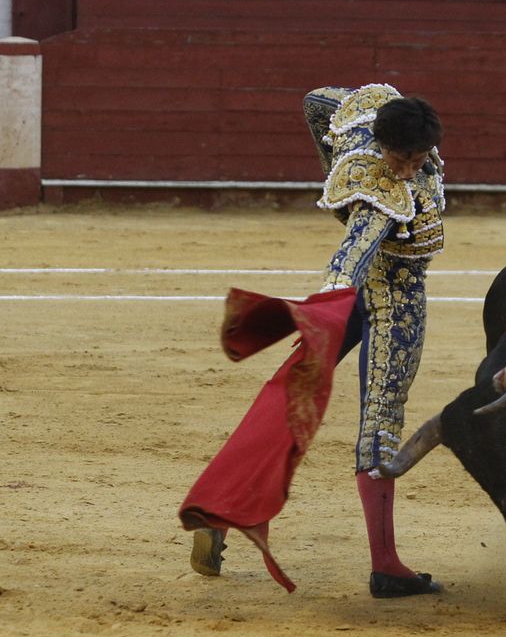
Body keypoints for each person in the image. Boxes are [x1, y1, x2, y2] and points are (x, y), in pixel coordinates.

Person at [182, 85, 447, 601]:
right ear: (384, 145)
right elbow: (352, 255)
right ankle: (387, 567)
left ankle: (223, 510)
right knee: (380, 425)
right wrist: (326, 303)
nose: (409, 170)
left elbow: (316, 101)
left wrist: (329, 157)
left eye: (417, 158)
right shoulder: (380, 194)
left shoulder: (363, 119)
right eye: (401, 159)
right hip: (391, 300)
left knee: (289, 397)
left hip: (351, 302)